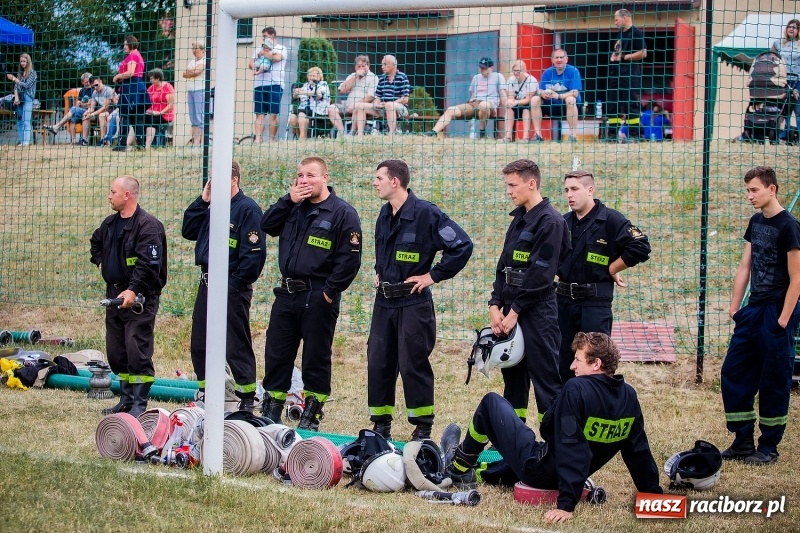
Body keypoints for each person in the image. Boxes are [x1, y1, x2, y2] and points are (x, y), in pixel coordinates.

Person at [441, 332, 663, 524]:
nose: (572, 366)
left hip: (540, 470)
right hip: (566, 472)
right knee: (501, 469)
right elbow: (638, 451)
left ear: (596, 364)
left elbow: (568, 445)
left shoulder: (576, 389)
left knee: (491, 403)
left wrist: (566, 505)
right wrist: (655, 498)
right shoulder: (628, 395)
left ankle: (458, 467)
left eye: (578, 360)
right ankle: (477, 469)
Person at [368, 159, 473, 441]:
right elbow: (383, 251)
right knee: (378, 362)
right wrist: (379, 271)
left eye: (379, 178)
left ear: (395, 181)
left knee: (412, 364)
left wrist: (433, 276)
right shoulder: (384, 214)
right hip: (384, 303)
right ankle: (380, 425)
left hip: (413, 304)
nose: (374, 183)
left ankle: (422, 427)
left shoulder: (427, 214)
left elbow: (462, 245)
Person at [259, 157, 362, 431]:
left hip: (318, 295)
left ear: (325, 178)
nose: (304, 180)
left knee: (315, 358)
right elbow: (266, 225)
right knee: (277, 354)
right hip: (286, 293)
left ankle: (311, 415)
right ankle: (271, 412)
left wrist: (329, 292)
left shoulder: (342, 213)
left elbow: (350, 260)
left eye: (311, 175)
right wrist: (287, 201)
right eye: (300, 175)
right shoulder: (292, 206)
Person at [721, 166, 800, 465]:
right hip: (752, 311)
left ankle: (768, 447)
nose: (749, 196)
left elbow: (797, 278)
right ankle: (742, 441)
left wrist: (783, 319)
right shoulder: (756, 222)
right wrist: (735, 307)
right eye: (747, 190)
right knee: (734, 371)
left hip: (776, 312)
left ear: (772, 189)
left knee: (773, 379)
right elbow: (746, 266)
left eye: (754, 190)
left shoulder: (790, 227)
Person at [182, 160, 267, 413]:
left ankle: (247, 397)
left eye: (218, 177)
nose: (213, 182)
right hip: (207, 283)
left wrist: (235, 284)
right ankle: (207, 392)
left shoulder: (247, 209)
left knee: (235, 343)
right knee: (200, 342)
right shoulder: (212, 206)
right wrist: (203, 201)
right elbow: (188, 230)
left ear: (234, 180)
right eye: (211, 178)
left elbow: (254, 255)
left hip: (232, 285)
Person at [489, 159, 570, 422]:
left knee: (546, 380)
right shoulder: (518, 220)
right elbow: (503, 266)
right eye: (507, 185)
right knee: (513, 379)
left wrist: (514, 312)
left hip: (538, 311)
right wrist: (495, 306)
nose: (509, 191)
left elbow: (541, 276)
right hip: (510, 306)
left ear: (532, 183)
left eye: (513, 185)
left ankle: (554, 442)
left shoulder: (551, 222)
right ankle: (513, 439)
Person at [556, 170, 651, 383]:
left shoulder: (610, 220)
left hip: (594, 303)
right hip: (563, 303)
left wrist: (612, 268)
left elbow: (641, 246)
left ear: (590, 190)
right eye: (566, 190)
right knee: (563, 364)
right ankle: (566, 403)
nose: (569, 195)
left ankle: (596, 401)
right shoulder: (562, 222)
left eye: (574, 189)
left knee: (595, 364)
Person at [90, 176, 168, 417]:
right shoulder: (109, 224)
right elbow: (95, 243)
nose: (109, 196)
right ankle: (125, 400)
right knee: (116, 351)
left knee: (136, 348)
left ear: (127, 195)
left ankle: (139, 404)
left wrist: (133, 290)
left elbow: (149, 265)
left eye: (112, 192)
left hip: (140, 298)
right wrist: (103, 262)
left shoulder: (148, 226)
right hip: (114, 295)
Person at [425, 57, 507, 138]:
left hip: (489, 105)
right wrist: (471, 104)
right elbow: (473, 95)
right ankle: (433, 132)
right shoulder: (476, 77)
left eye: (484, 68)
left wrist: (507, 104)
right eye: (480, 67)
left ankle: (482, 133)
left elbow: (502, 94)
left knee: (484, 105)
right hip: (475, 104)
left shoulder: (498, 76)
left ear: (491, 68)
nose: (481, 70)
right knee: (450, 110)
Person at [606, 9, 647, 141]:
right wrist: (614, 56)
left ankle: (635, 135)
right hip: (615, 74)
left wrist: (624, 57)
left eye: (616, 19)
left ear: (625, 18)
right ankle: (612, 135)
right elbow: (618, 52)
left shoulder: (636, 33)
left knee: (631, 103)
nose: (615, 22)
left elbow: (643, 53)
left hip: (630, 73)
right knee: (612, 104)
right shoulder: (619, 34)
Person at [530, 49, 582, 143]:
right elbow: (540, 90)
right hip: (551, 106)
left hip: (568, 106)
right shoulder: (547, 72)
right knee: (535, 99)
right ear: (552, 60)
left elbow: (575, 92)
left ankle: (573, 136)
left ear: (566, 59)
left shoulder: (573, 71)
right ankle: (538, 135)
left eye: (561, 57)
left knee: (570, 99)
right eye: (556, 57)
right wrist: (543, 93)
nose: (559, 60)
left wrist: (559, 96)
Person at [353, 55, 410, 136]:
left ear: (393, 65)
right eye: (382, 64)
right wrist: (377, 103)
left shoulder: (402, 77)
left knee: (389, 105)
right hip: (383, 108)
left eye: (384, 64)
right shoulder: (382, 78)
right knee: (360, 106)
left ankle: (391, 134)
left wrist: (390, 104)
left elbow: (405, 99)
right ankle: (359, 135)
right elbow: (377, 97)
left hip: (400, 108)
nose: (382, 67)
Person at [248, 27, 286, 143]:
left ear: (272, 35)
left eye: (265, 36)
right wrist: (256, 65)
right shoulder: (258, 48)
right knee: (259, 114)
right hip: (260, 84)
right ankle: (258, 139)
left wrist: (264, 52)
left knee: (273, 114)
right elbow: (251, 63)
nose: (263, 38)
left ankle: (271, 140)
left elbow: (277, 58)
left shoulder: (281, 48)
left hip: (275, 84)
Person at [112, 35, 148, 151]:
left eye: (125, 44)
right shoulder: (138, 55)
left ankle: (122, 144)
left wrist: (117, 76)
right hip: (136, 87)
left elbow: (130, 72)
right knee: (137, 118)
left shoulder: (133, 55)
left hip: (131, 87)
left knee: (125, 116)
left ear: (131, 44)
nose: (124, 47)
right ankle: (141, 145)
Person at [328, 55, 378, 136]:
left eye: (363, 66)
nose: (361, 68)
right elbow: (342, 90)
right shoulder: (352, 76)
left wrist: (355, 104)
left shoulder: (373, 77)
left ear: (368, 66)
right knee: (331, 108)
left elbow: (371, 96)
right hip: (347, 106)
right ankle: (342, 134)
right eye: (359, 66)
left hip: (362, 107)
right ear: (355, 67)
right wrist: (355, 76)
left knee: (357, 107)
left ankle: (352, 134)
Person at [771, 19, 800, 144]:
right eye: (789, 27)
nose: (791, 29)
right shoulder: (778, 44)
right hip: (783, 81)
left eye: (794, 27)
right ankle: (785, 136)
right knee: (784, 109)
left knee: (798, 110)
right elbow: (771, 58)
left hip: (798, 81)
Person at [46, 72, 93, 145]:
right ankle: (73, 141)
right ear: (82, 82)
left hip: (90, 112)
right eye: (86, 82)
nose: (88, 83)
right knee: (72, 117)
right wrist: (83, 104)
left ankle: (56, 126)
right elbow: (78, 104)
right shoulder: (82, 91)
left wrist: (82, 104)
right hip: (81, 111)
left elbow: (91, 104)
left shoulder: (93, 90)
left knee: (73, 109)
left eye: (89, 81)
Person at [288, 66, 331, 139]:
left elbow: (318, 95)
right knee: (292, 118)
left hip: (317, 109)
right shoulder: (306, 85)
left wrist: (303, 92)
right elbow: (295, 97)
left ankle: (302, 138)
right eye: (310, 76)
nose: (311, 78)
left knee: (301, 115)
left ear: (319, 77)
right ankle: (298, 136)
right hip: (303, 108)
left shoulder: (323, 84)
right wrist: (296, 93)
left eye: (314, 76)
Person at [502, 60, 538, 142]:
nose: (516, 73)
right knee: (509, 108)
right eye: (514, 71)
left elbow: (528, 99)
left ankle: (525, 138)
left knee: (526, 110)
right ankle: (508, 137)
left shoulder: (531, 80)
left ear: (524, 70)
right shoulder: (511, 80)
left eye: (518, 71)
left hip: (529, 106)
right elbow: (511, 97)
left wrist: (516, 102)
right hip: (516, 104)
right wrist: (509, 102)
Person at [6, 53, 37, 146]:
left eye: (24, 61)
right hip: (19, 99)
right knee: (19, 121)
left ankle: (26, 142)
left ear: (28, 62)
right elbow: (16, 86)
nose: (22, 63)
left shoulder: (32, 73)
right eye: (21, 61)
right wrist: (16, 96)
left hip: (28, 98)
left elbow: (27, 85)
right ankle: (22, 141)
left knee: (26, 120)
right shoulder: (20, 73)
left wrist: (14, 79)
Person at [144, 68, 175, 149]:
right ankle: (137, 144)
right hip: (152, 112)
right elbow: (146, 99)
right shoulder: (151, 88)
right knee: (140, 118)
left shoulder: (168, 87)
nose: (150, 80)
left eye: (152, 79)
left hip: (165, 114)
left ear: (158, 78)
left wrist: (160, 112)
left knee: (151, 120)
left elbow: (170, 105)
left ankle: (147, 146)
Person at [182, 42, 207, 146]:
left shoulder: (205, 60)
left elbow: (197, 71)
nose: (193, 51)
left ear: (202, 50)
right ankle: (196, 142)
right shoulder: (193, 61)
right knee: (193, 117)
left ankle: (204, 142)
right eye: (192, 49)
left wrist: (191, 71)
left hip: (199, 89)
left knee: (200, 116)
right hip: (191, 90)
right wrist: (191, 71)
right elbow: (184, 74)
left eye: (195, 48)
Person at [84, 77, 115, 144]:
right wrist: (88, 112)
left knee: (102, 115)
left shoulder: (108, 90)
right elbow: (92, 108)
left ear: (100, 81)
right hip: (101, 111)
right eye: (93, 86)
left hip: (113, 110)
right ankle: (84, 140)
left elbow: (105, 107)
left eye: (96, 85)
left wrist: (92, 114)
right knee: (86, 116)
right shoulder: (94, 92)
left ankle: (103, 139)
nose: (95, 87)